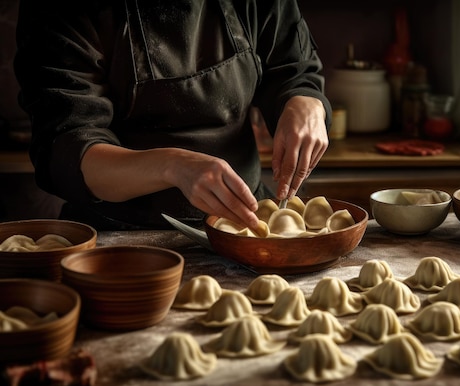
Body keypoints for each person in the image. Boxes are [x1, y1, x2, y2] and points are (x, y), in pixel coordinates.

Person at [13, 0, 331, 231]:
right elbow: (68, 148)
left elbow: (294, 69)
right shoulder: (61, 10)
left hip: (246, 226)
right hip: (119, 236)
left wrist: (304, 101)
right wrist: (173, 166)